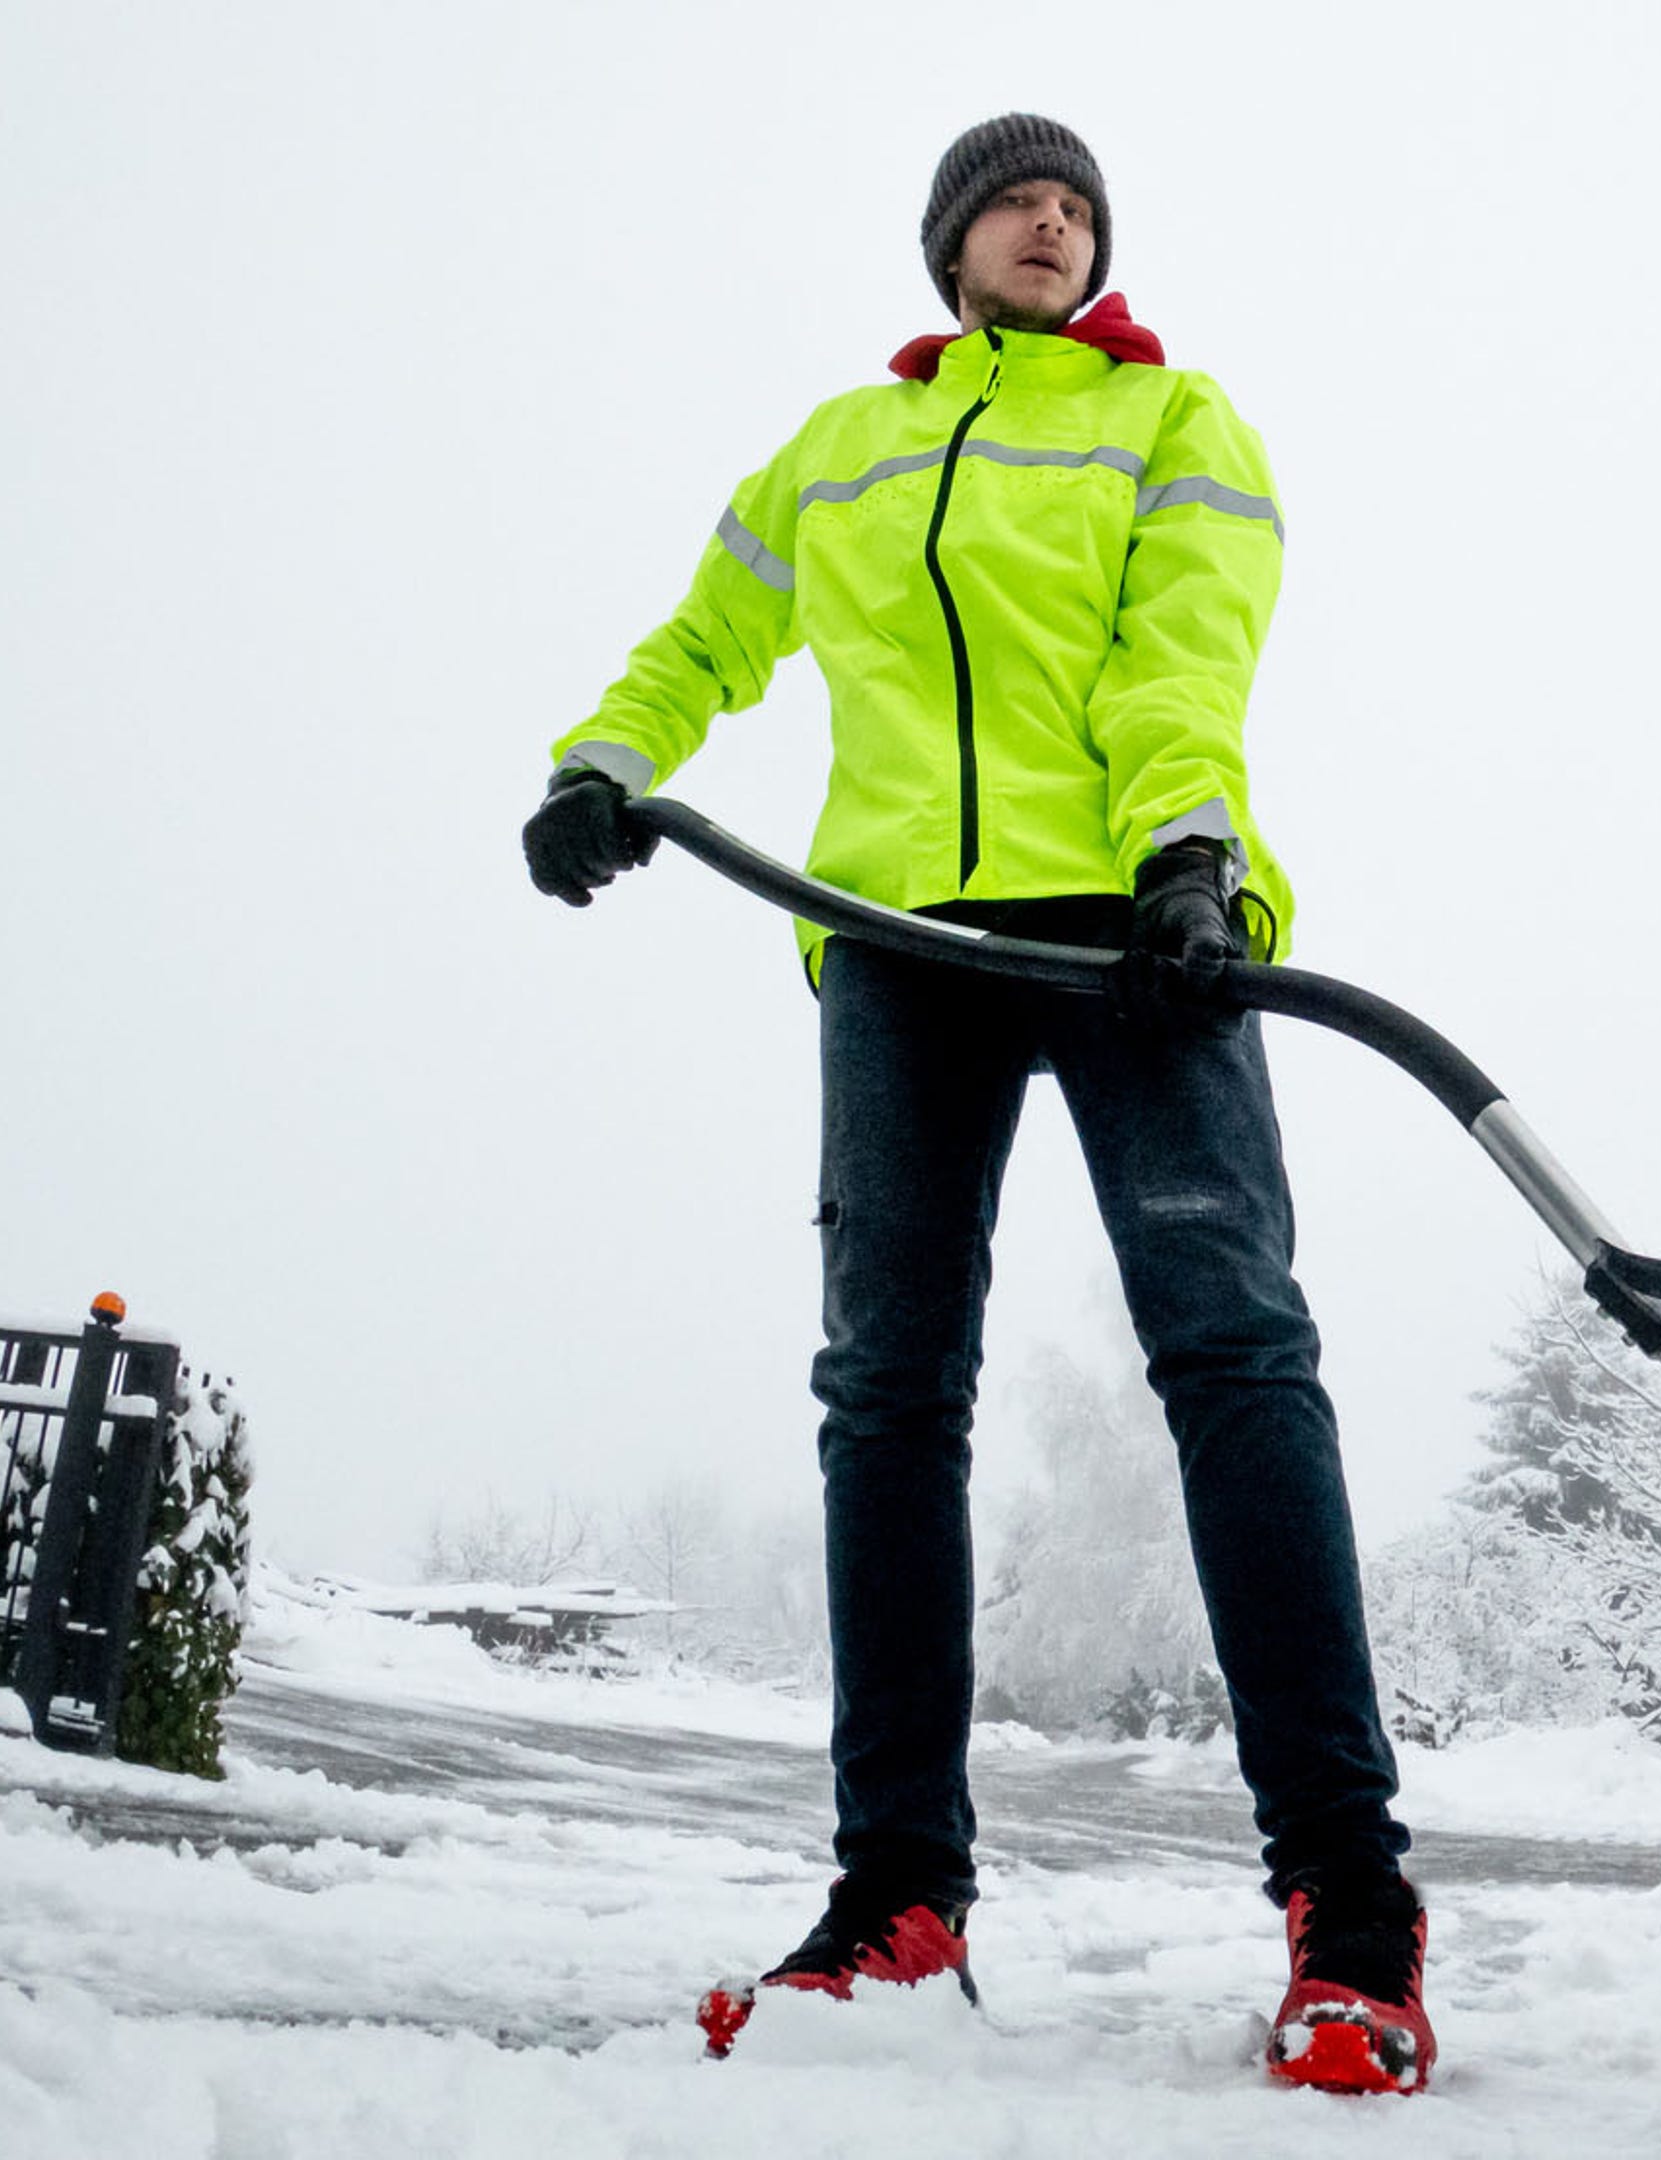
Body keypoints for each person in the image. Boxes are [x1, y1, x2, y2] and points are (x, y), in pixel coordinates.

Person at [521, 112, 1430, 2095]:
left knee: (1236, 1359)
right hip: (893, 946)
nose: (1054, 218)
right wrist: (606, 759)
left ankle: (1351, 1904)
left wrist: (1190, 857)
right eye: (1019, 198)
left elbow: (1181, 655)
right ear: (950, 243)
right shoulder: (837, 451)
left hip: (1137, 934)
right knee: (887, 1394)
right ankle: (898, 1903)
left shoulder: (1172, 420)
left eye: (1079, 204)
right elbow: (705, 642)